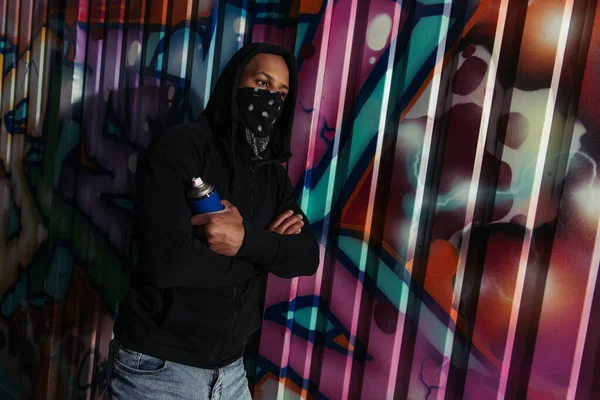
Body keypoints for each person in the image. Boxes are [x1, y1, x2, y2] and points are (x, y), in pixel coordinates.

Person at [105, 43, 320, 399]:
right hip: (157, 371)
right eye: (262, 84)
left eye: (281, 92)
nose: (271, 100)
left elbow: (306, 256)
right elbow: (168, 263)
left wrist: (245, 241)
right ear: (235, 83)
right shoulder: (183, 147)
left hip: (231, 375)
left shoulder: (273, 177)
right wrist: (264, 253)